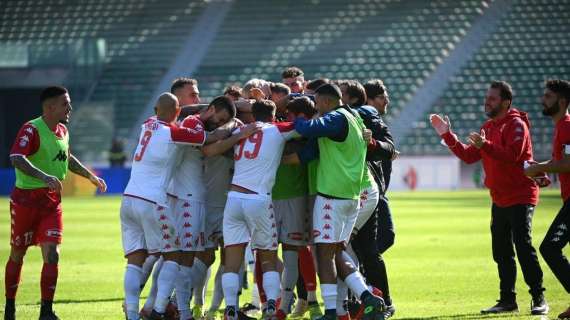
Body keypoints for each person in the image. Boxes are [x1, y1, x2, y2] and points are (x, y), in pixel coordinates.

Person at [430, 80, 548, 315]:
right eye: (487, 97)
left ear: (506, 103)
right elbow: (468, 156)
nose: (487, 101)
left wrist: (486, 144)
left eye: (492, 98)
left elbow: (513, 155)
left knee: (523, 247)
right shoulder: (489, 126)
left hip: (521, 194)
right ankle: (508, 300)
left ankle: (539, 297)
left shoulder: (516, 125)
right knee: (501, 251)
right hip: (499, 197)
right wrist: (448, 135)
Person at [4, 86, 107, 320]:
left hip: (51, 202)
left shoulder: (62, 130)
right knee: (18, 254)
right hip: (26, 201)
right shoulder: (32, 129)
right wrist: (44, 177)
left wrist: (90, 175)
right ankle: (10, 308)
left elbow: (67, 158)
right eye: (65, 104)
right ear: (50, 107)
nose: (69, 108)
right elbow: (16, 158)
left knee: (52, 254)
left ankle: (46, 312)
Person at [293, 84, 386, 320]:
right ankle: (367, 297)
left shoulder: (335, 118)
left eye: (316, 103)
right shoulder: (354, 117)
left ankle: (333, 312)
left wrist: (298, 117)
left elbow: (308, 128)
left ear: (324, 101)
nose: (316, 108)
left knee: (324, 254)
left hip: (331, 199)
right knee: (335, 252)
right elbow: (310, 152)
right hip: (350, 198)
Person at [205, 100, 298, 320]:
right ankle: (270, 309)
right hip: (258, 198)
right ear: (274, 115)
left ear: (253, 115)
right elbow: (303, 127)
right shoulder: (278, 129)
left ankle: (230, 310)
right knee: (267, 256)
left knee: (232, 258)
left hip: (234, 199)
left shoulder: (240, 130)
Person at [340, 80, 397, 318]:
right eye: (382, 96)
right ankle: (367, 298)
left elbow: (388, 147)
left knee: (366, 248)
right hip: (357, 189)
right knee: (363, 248)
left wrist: (373, 143)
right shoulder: (355, 114)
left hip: (365, 189)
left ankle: (373, 298)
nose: (387, 101)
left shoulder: (365, 114)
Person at [524, 79, 570, 320]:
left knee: (550, 248)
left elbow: (568, 163)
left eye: (548, 97)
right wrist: (544, 174)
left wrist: (538, 167)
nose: (543, 100)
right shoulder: (560, 126)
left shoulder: (567, 125)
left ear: (562, 101)